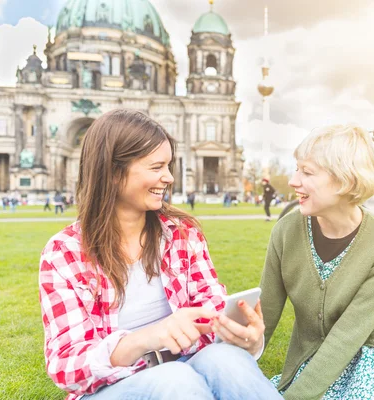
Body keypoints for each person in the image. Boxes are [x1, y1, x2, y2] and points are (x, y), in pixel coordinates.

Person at [39, 109, 281, 400]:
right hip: (112, 387)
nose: (168, 177)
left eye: (169, 166)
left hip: (184, 365)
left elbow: (212, 312)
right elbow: (66, 365)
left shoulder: (182, 233)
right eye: (156, 167)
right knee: (174, 379)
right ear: (113, 172)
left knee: (228, 362)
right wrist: (147, 339)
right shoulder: (64, 252)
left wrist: (245, 339)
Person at [257, 124, 374, 399]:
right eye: (296, 168)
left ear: (346, 180)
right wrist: (229, 360)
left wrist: (297, 397)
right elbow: (263, 316)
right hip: (312, 357)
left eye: (307, 172)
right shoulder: (286, 232)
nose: (293, 180)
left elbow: (349, 334)